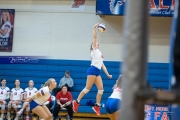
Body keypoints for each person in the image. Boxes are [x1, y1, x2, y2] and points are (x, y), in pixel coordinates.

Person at [72, 23, 112, 116]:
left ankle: (97, 106)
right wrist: (94, 28)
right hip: (92, 70)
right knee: (87, 89)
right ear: (94, 45)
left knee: (101, 89)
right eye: (96, 43)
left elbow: (103, 66)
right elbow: (95, 38)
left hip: (97, 71)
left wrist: (108, 74)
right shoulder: (94, 50)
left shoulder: (100, 53)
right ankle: (76, 102)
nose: (98, 43)